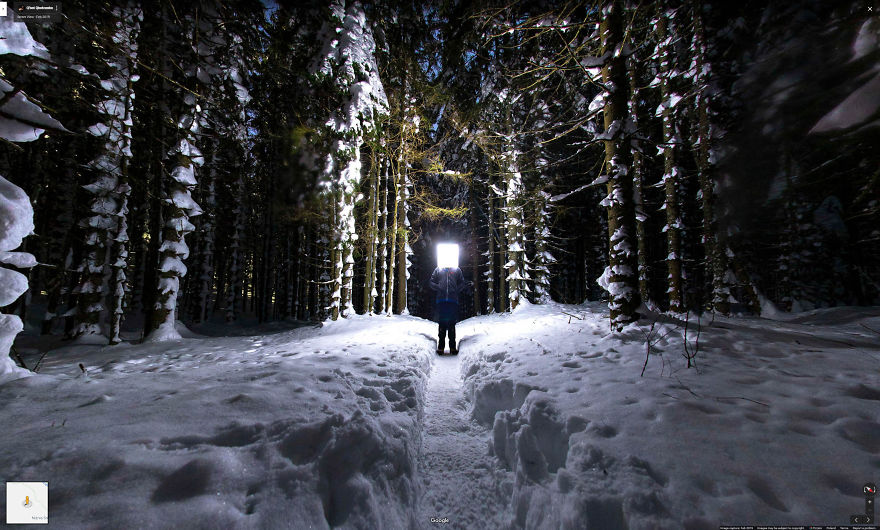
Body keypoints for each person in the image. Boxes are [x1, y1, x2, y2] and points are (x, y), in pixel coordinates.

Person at [429, 265, 471, 355]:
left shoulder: (457, 269)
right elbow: (431, 282)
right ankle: (441, 347)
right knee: (442, 322)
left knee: (452, 323)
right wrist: (438, 287)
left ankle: (452, 347)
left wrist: (456, 290)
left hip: (453, 300)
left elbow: (462, 282)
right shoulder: (438, 269)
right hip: (441, 299)